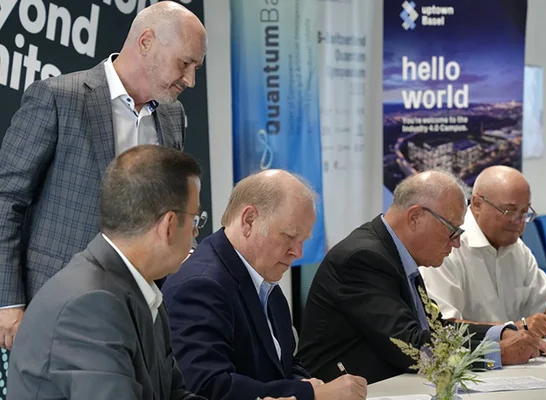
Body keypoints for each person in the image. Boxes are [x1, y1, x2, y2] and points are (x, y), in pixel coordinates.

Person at [0, 1, 207, 350]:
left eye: (196, 67)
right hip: (56, 304)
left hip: (140, 310)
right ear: (146, 42)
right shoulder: (58, 99)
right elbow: (7, 200)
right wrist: (7, 300)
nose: (190, 80)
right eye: (184, 63)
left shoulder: (173, 115)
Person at [297, 170, 546, 385]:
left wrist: (500, 333)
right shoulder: (364, 258)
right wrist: (496, 354)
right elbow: (410, 347)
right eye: (453, 230)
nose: (456, 243)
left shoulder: (396, 252)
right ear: (416, 217)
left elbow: (433, 328)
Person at [7, 145, 206, 399]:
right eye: (195, 220)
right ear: (168, 225)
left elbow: (172, 394)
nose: (195, 232)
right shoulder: (89, 304)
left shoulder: (139, 290)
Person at [162, 170, 368, 400]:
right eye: (290, 236)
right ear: (249, 220)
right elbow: (208, 386)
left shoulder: (265, 284)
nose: (298, 253)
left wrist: (306, 382)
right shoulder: (200, 286)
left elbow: (284, 364)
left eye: (303, 241)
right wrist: (310, 394)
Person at [420, 166, 546, 338]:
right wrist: (513, 328)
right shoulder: (447, 247)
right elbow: (444, 327)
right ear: (477, 204)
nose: (519, 221)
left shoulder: (516, 247)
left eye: (524, 212)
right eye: (509, 211)